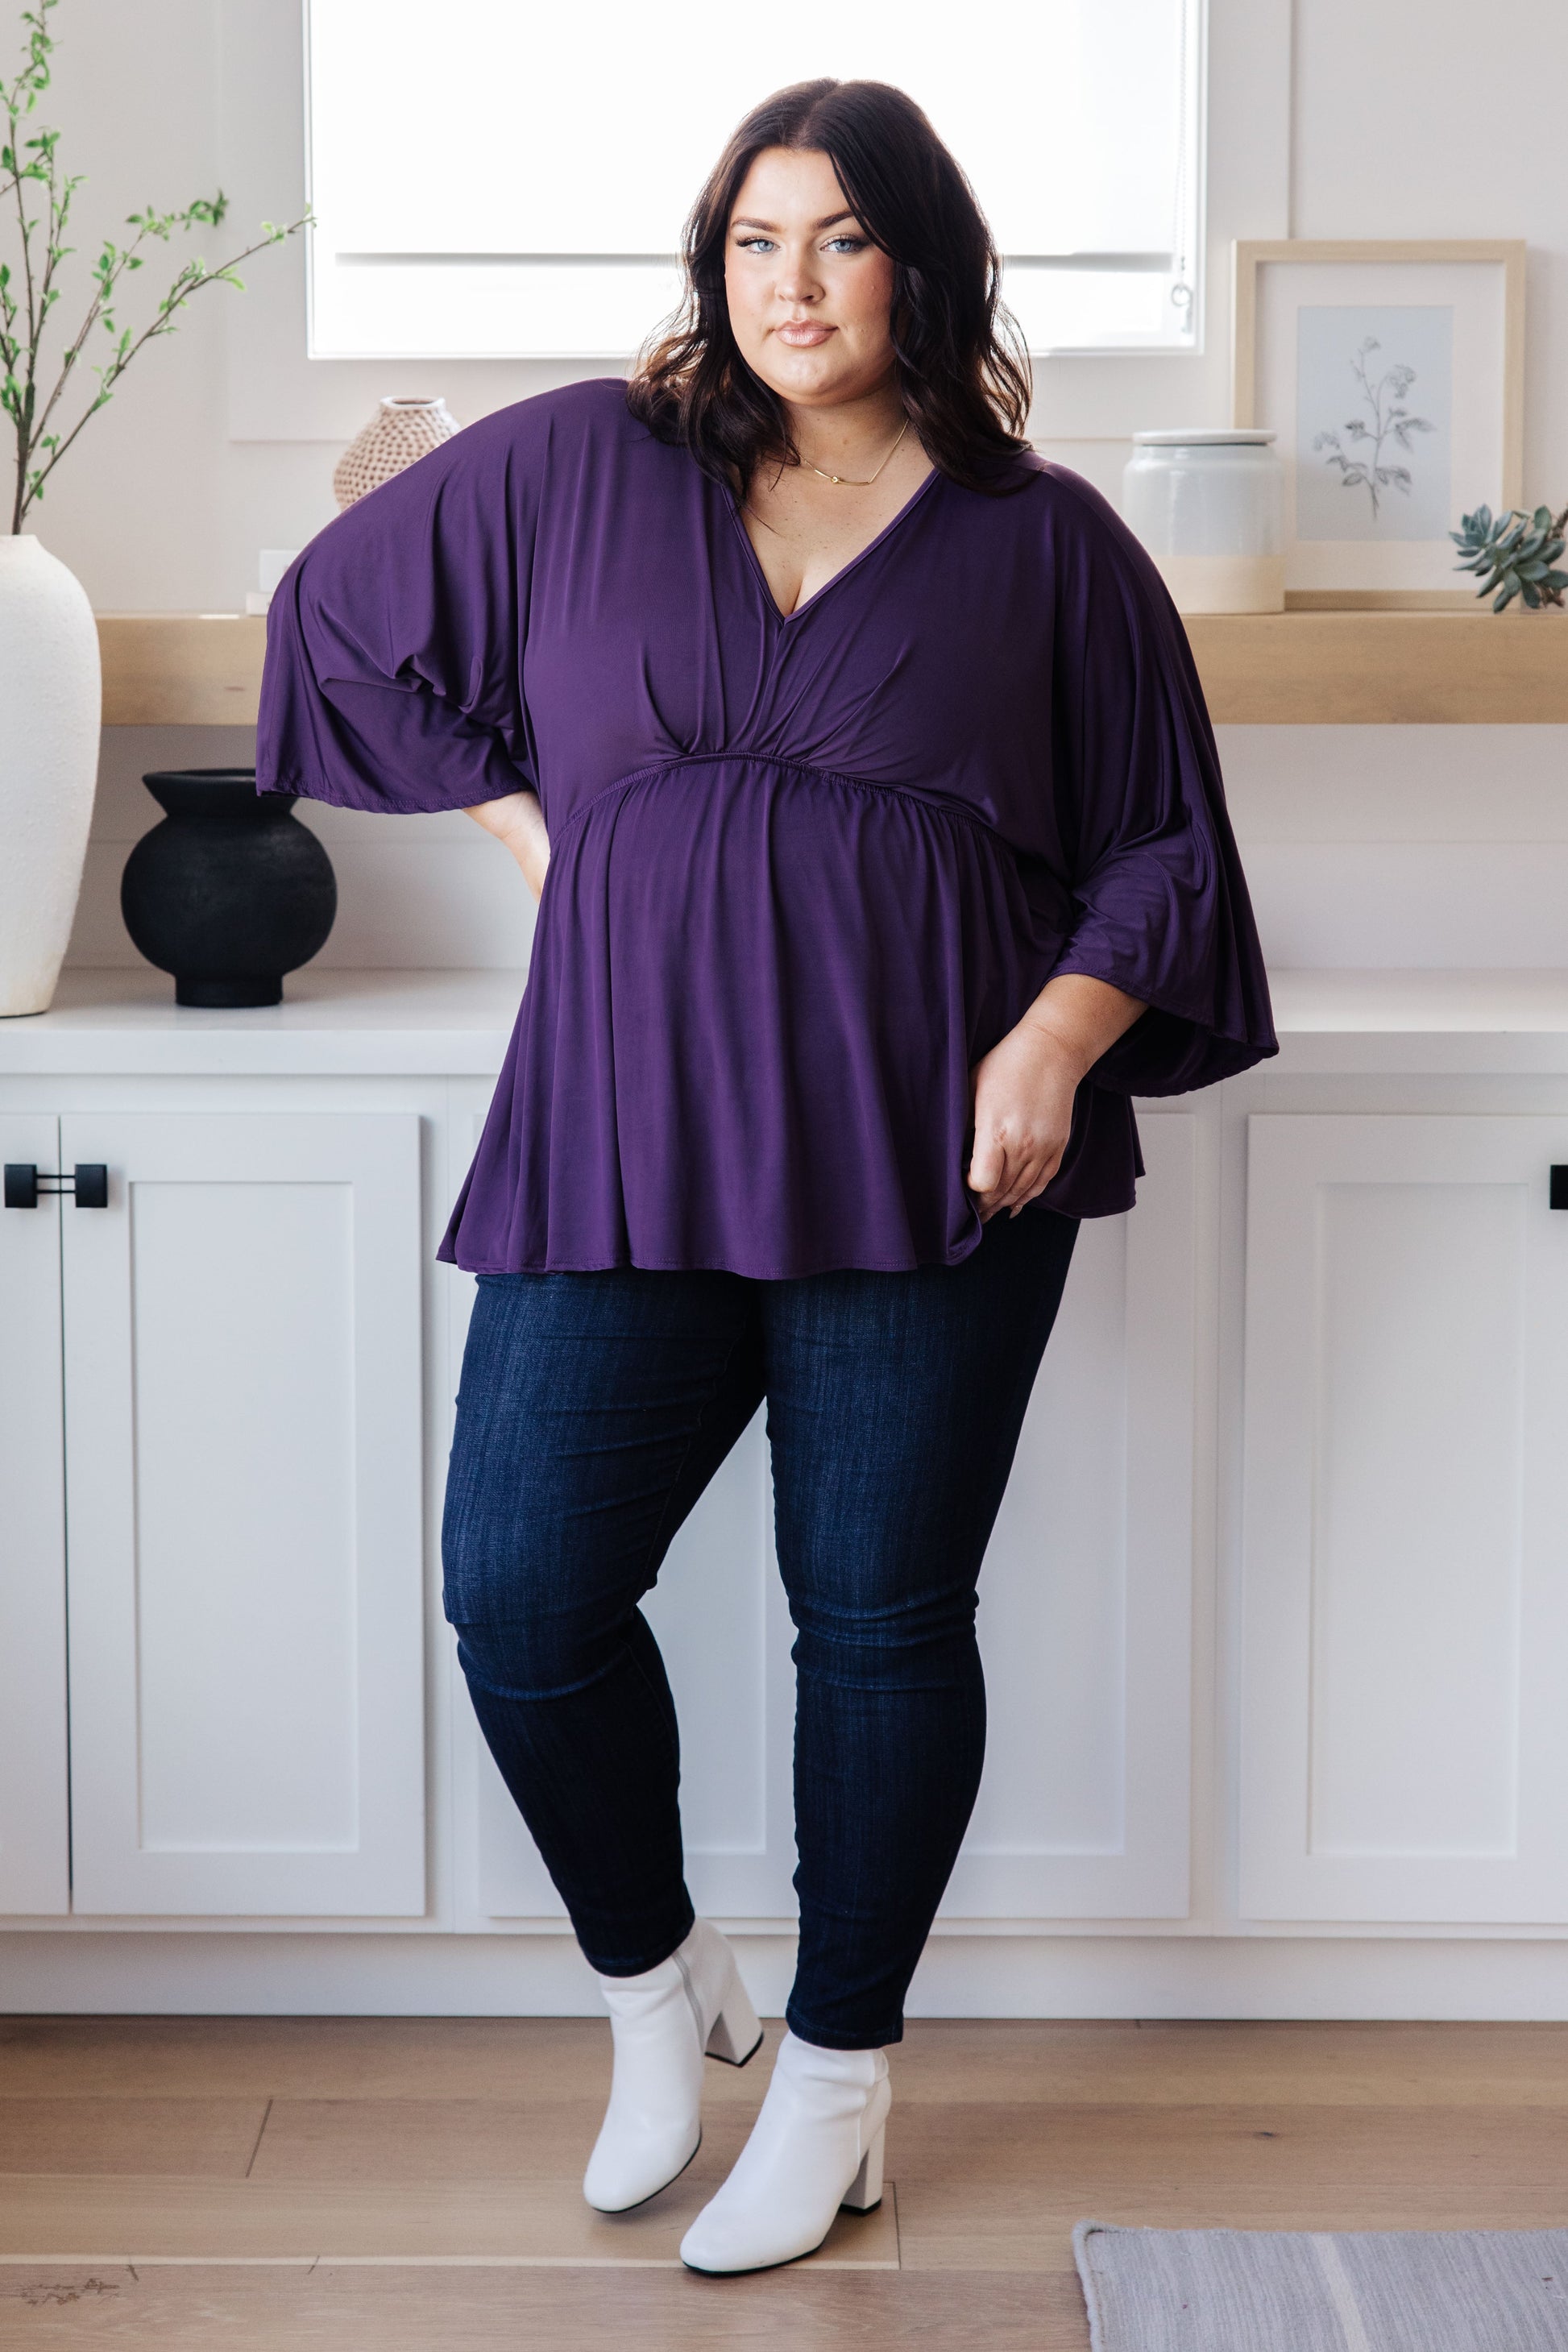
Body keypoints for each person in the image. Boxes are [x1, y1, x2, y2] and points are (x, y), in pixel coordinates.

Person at [257, 77, 1276, 2276]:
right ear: (709, 264)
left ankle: (835, 2076)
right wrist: (550, 834)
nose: (789, 285)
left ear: (922, 261)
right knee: (522, 1591)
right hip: (625, 1120)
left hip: (927, 1153)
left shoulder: (1043, 542)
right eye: (751, 241)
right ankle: (657, 1995)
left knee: (879, 1624)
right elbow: (336, 621)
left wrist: (1050, 1041)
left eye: (837, 239)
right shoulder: (579, 463)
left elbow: (1163, 851)